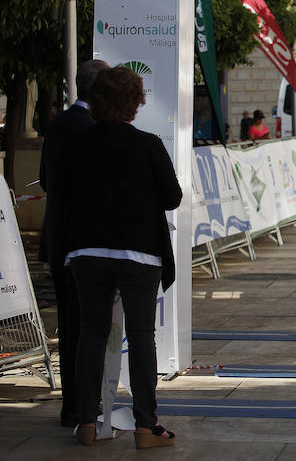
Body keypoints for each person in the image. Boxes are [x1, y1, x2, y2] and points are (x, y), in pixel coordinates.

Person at [59, 66, 182, 447]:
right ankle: (146, 425)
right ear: (134, 104)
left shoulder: (77, 145)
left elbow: (63, 194)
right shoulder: (147, 144)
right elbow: (172, 197)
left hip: (87, 250)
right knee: (142, 335)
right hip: (138, 252)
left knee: (91, 333)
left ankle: (86, 423)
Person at [38, 58, 109, 428]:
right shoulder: (90, 129)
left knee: (72, 326)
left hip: (59, 240)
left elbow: (45, 179)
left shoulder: (60, 124)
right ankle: (85, 404)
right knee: (87, 327)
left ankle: (74, 405)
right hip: (84, 245)